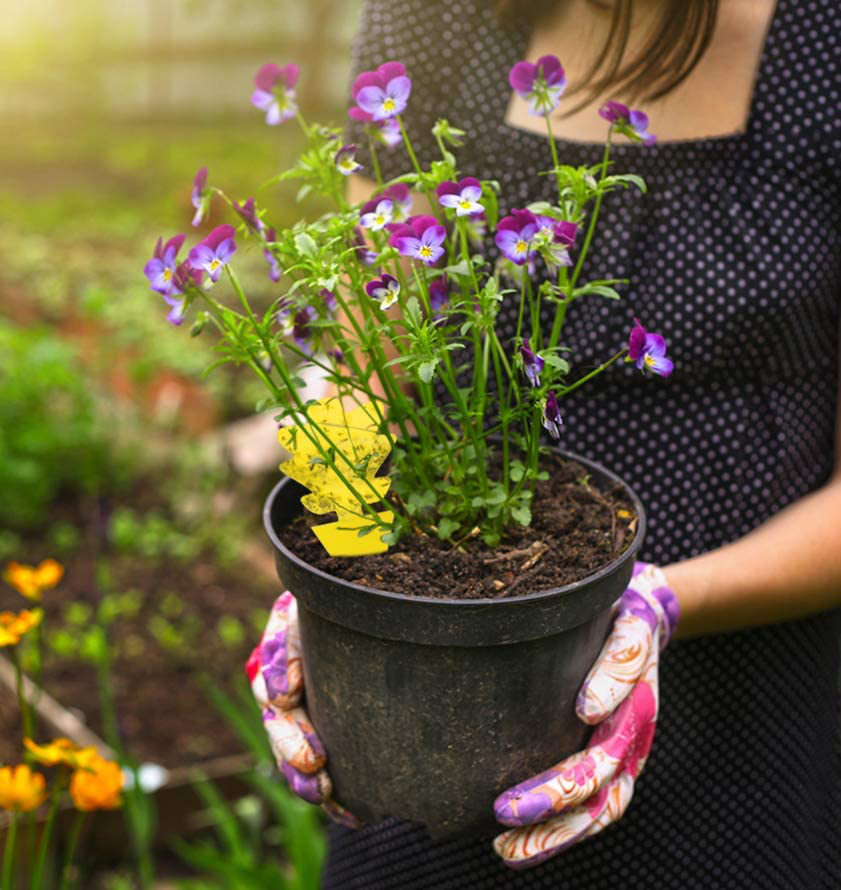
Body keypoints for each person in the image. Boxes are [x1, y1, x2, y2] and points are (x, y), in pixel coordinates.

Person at [249, 0, 841, 885]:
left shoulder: (821, 45)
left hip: (743, 704)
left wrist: (654, 605)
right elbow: (365, 370)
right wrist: (334, 583)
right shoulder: (437, 15)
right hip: (442, 679)